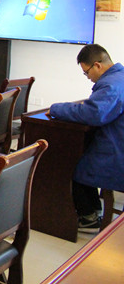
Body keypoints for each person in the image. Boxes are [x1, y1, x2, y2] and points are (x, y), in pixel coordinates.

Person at [49, 44, 124, 232]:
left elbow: (93, 114)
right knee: (83, 158)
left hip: (117, 153)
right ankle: (93, 210)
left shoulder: (111, 85)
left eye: (86, 72)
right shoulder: (119, 77)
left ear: (97, 65)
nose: (88, 77)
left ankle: (88, 217)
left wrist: (57, 108)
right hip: (118, 141)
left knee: (73, 166)